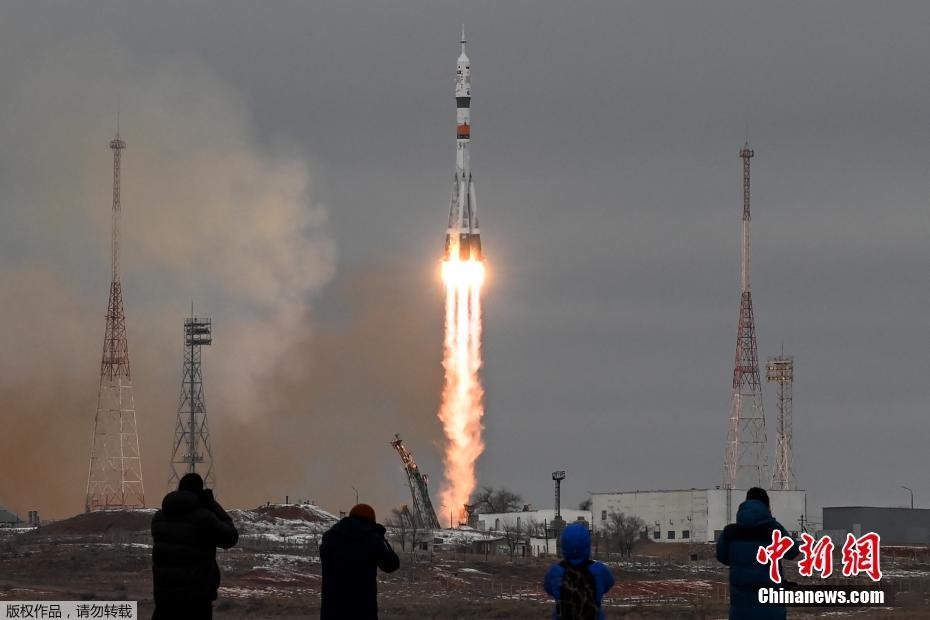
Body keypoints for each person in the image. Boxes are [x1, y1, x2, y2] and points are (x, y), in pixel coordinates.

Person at [151, 473, 239, 619]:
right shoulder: (204, 518)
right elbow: (230, 538)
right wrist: (212, 504)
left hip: (164, 599)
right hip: (195, 601)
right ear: (199, 492)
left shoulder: (158, 519)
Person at [716, 487, 800, 620]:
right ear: (767, 507)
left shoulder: (730, 533)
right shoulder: (774, 530)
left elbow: (722, 556)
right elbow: (793, 551)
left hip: (740, 613)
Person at [320, 503, 400, 619]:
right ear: (370, 521)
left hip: (331, 611)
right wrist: (382, 538)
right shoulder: (372, 539)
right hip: (362, 611)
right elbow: (392, 564)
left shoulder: (329, 538)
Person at [544, 523, 615, 620]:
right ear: (587, 545)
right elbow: (609, 583)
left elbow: (548, 588)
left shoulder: (556, 571)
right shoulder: (599, 569)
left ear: (564, 545)